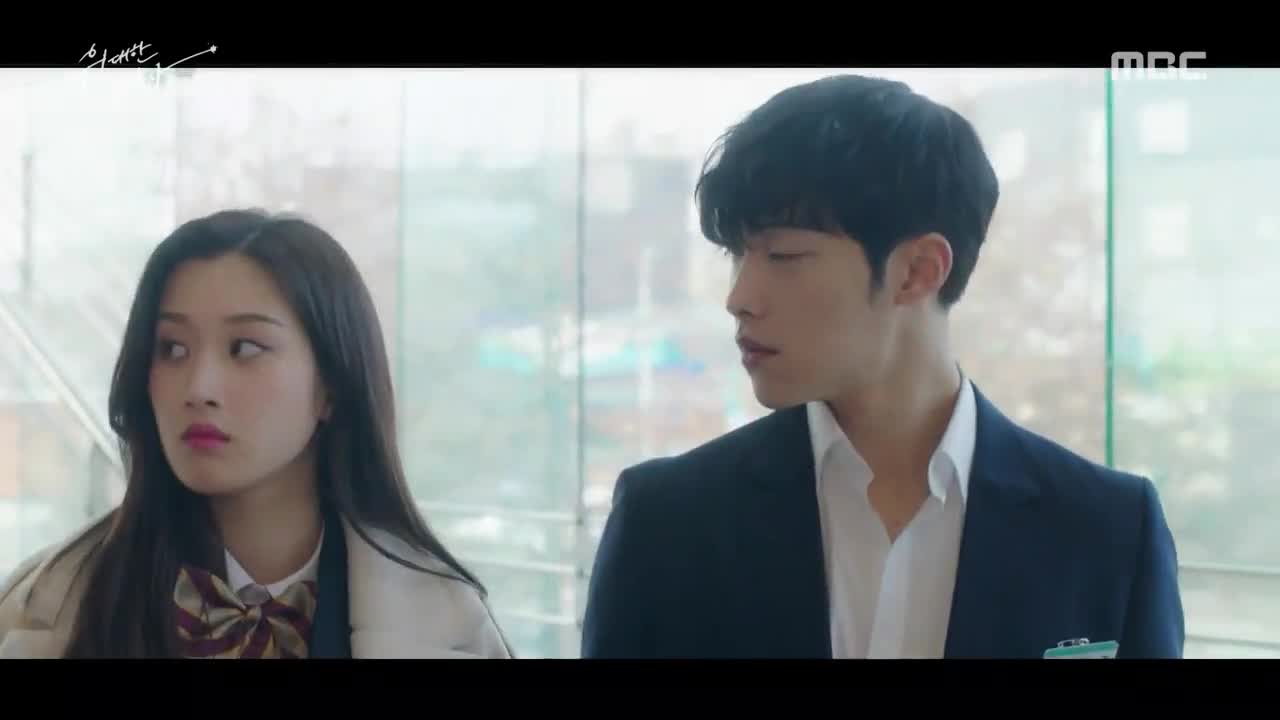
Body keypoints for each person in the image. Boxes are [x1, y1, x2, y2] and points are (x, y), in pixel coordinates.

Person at [581, 74, 1185, 659]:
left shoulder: (1107, 530)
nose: (739, 297)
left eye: (783, 256)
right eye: (738, 255)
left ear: (918, 271)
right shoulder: (667, 523)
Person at [0, 209, 511, 659]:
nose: (199, 388)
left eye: (245, 348)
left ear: (331, 385)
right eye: (173, 349)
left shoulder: (448, 625)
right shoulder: (41, 608)